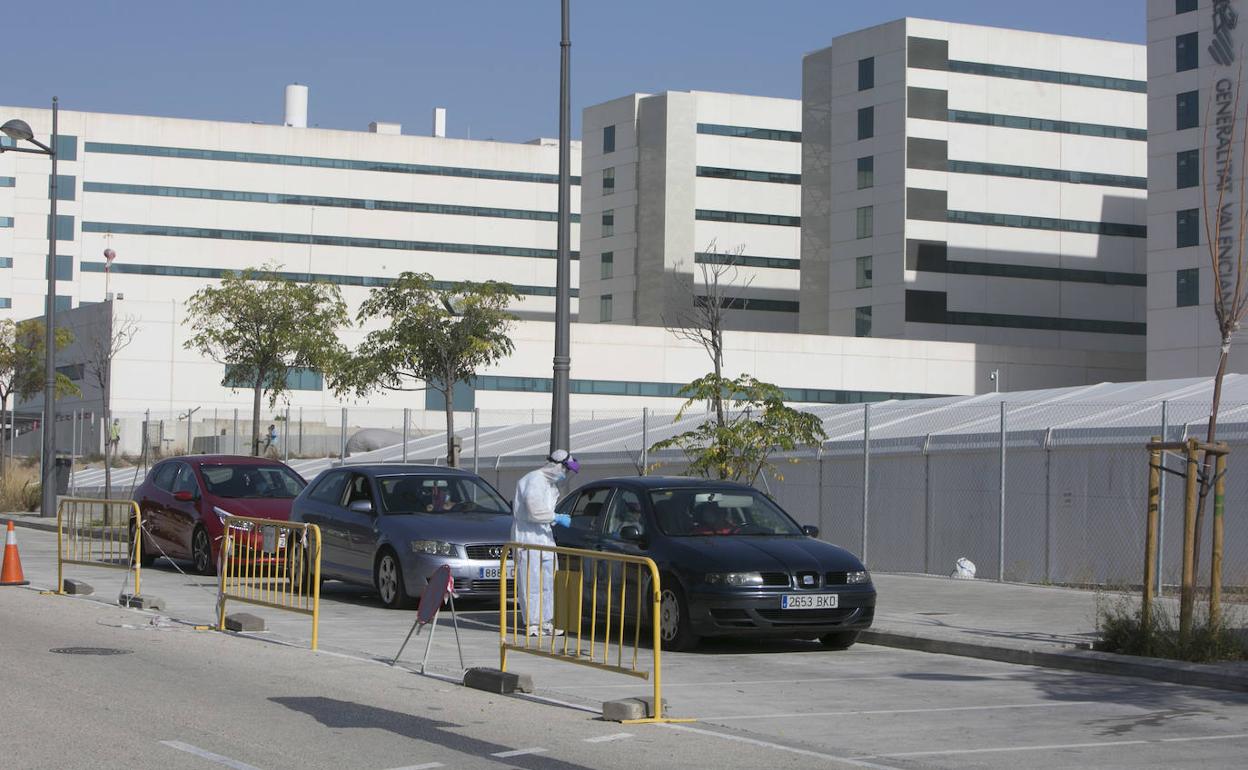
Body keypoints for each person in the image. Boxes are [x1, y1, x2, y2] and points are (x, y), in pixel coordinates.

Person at [511, 449, 579, 637]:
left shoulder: (550, 486)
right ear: (557, 465)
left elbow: (543, 513)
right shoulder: (533, 480)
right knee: (531, 582)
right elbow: (534, 511)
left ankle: (547, 620)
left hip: (544, 538)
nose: (565, 474)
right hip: (528, 539)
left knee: (548, 581)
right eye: (565, 469)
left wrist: (554, 519)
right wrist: (555, 516)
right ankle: (533, 623)